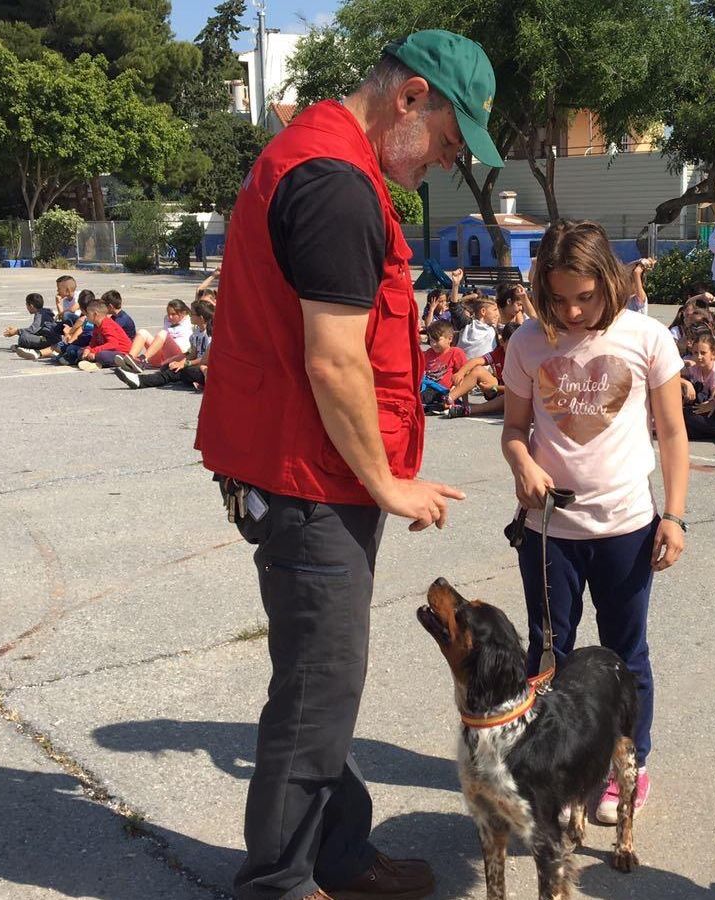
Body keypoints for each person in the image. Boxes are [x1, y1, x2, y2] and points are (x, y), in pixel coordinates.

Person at [194, 29, 494, 900]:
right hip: (308, 480)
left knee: (326, 679)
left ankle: (340, 853)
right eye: (446, 139)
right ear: (410, 99)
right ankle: (279, 885)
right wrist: (386, 481)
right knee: (317, 691)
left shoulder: (324, 157)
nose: (444, 162)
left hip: (301, 470)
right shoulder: (335, 186)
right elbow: (334, 359)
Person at [500, 219, 688, 825]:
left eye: (586, 296)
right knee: (549, 653)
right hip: (550, 529)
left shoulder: (648, 337)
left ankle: (626, 768)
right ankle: (551, 766)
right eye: (559, 299)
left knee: (625, 654)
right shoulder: (528, 343)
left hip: (628, 527)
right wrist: (523, 463)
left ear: (608, 281)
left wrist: (676, 515)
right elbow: (512, 431)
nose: (573, 311)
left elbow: (674, 433)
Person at [116, 297, 214, 391]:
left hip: (203, 368)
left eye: (192, 314)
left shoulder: (209, 334)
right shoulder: (196, 332)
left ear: (201, 318)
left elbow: (206, 359)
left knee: (178, 371)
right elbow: (193, 353)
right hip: (196, 365)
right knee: (168, 367)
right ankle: (133, 364)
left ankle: (140, 380)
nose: (190, 315)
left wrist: (185, 363)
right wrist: (182, 362)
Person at [442, 322, 515, 418]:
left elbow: (519, 390)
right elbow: (476, 361)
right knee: (478, 370)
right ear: (502, 342)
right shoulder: (500, 352)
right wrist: (460, 373)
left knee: (509, 397)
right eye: (512, 344)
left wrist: (494, 387)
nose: (516, 348)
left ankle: (468, 410)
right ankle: (449, 399)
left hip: (512, 396)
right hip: (497, 390)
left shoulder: (524, 359)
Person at [121, 299, 195, 370]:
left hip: (178, 356)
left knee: (163, 333)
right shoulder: (167, 319)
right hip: (162, 358)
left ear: (183, 313)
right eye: (168, 314)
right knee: (142, 332)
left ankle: (143, 360)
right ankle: (130, 359)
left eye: (173, 314)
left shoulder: (191, 320)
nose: (170, 317)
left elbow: (201, 308)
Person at [64, 297, 132, 370]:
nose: (86, 317)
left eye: (88, 314)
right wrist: (88, 349)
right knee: (79, 351)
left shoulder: (107, 324)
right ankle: (93, 361)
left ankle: (95, 361)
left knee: (102, 356)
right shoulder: (96, 325)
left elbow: (113, 344)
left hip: (121, 352)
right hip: (107, 350)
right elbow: (93, 343)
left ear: (95, 314)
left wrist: (93, 351)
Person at [420, 320, 468, 413]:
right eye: (431, 340)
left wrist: (465, 403)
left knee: (426, 396)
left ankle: (433, 405)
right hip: (427, 387)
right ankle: (434, 406)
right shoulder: (428, 353)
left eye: (437, 340)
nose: (434, 344)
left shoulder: (455, 352)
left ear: (450, 339)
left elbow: (464, 377)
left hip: (443, 391)